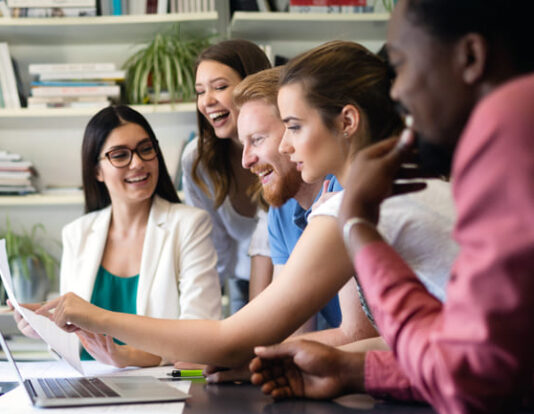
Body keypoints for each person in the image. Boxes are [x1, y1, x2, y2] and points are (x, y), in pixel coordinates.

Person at [31, 40, 453, 372]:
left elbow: (231, 338)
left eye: (294, 127)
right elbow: (415, 334)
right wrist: (330, 367)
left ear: (347, 121)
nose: (285, 145)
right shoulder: (399, 182)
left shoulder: (349, 203)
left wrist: (94, 316)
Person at [250, 0, 534, 414]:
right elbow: (487, 363)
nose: (397, 93)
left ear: (471, 57)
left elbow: (473, 387)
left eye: (401, 66)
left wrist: (359, 227)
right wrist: (354, 372)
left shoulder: (507, 124)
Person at [15, 105, 222, 367]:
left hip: (163, 386)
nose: (138, 163)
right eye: (120, 155)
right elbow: (76, 340)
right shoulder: (76, 234)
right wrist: (47, 328)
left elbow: (200, 339)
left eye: (146, 149)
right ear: (96, 171)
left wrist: (124, 357)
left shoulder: (190, 225)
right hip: (89, 386)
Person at [235, 66, 343, 332]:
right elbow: (291, 326)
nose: (245, 160)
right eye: (243, 144)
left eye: (257, 140)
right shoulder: (281, 212)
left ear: (292, 129)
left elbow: (361, 333)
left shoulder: (343, 190)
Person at [181, 39, 272, 313]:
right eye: (200, 91)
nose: (207, 101)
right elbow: (212, 249)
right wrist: (196, 318)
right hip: (243, 284)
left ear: (255, 86)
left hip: (300, 281)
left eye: (220, 87)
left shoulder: (287, 149)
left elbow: (272, 242)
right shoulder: (198, 161)